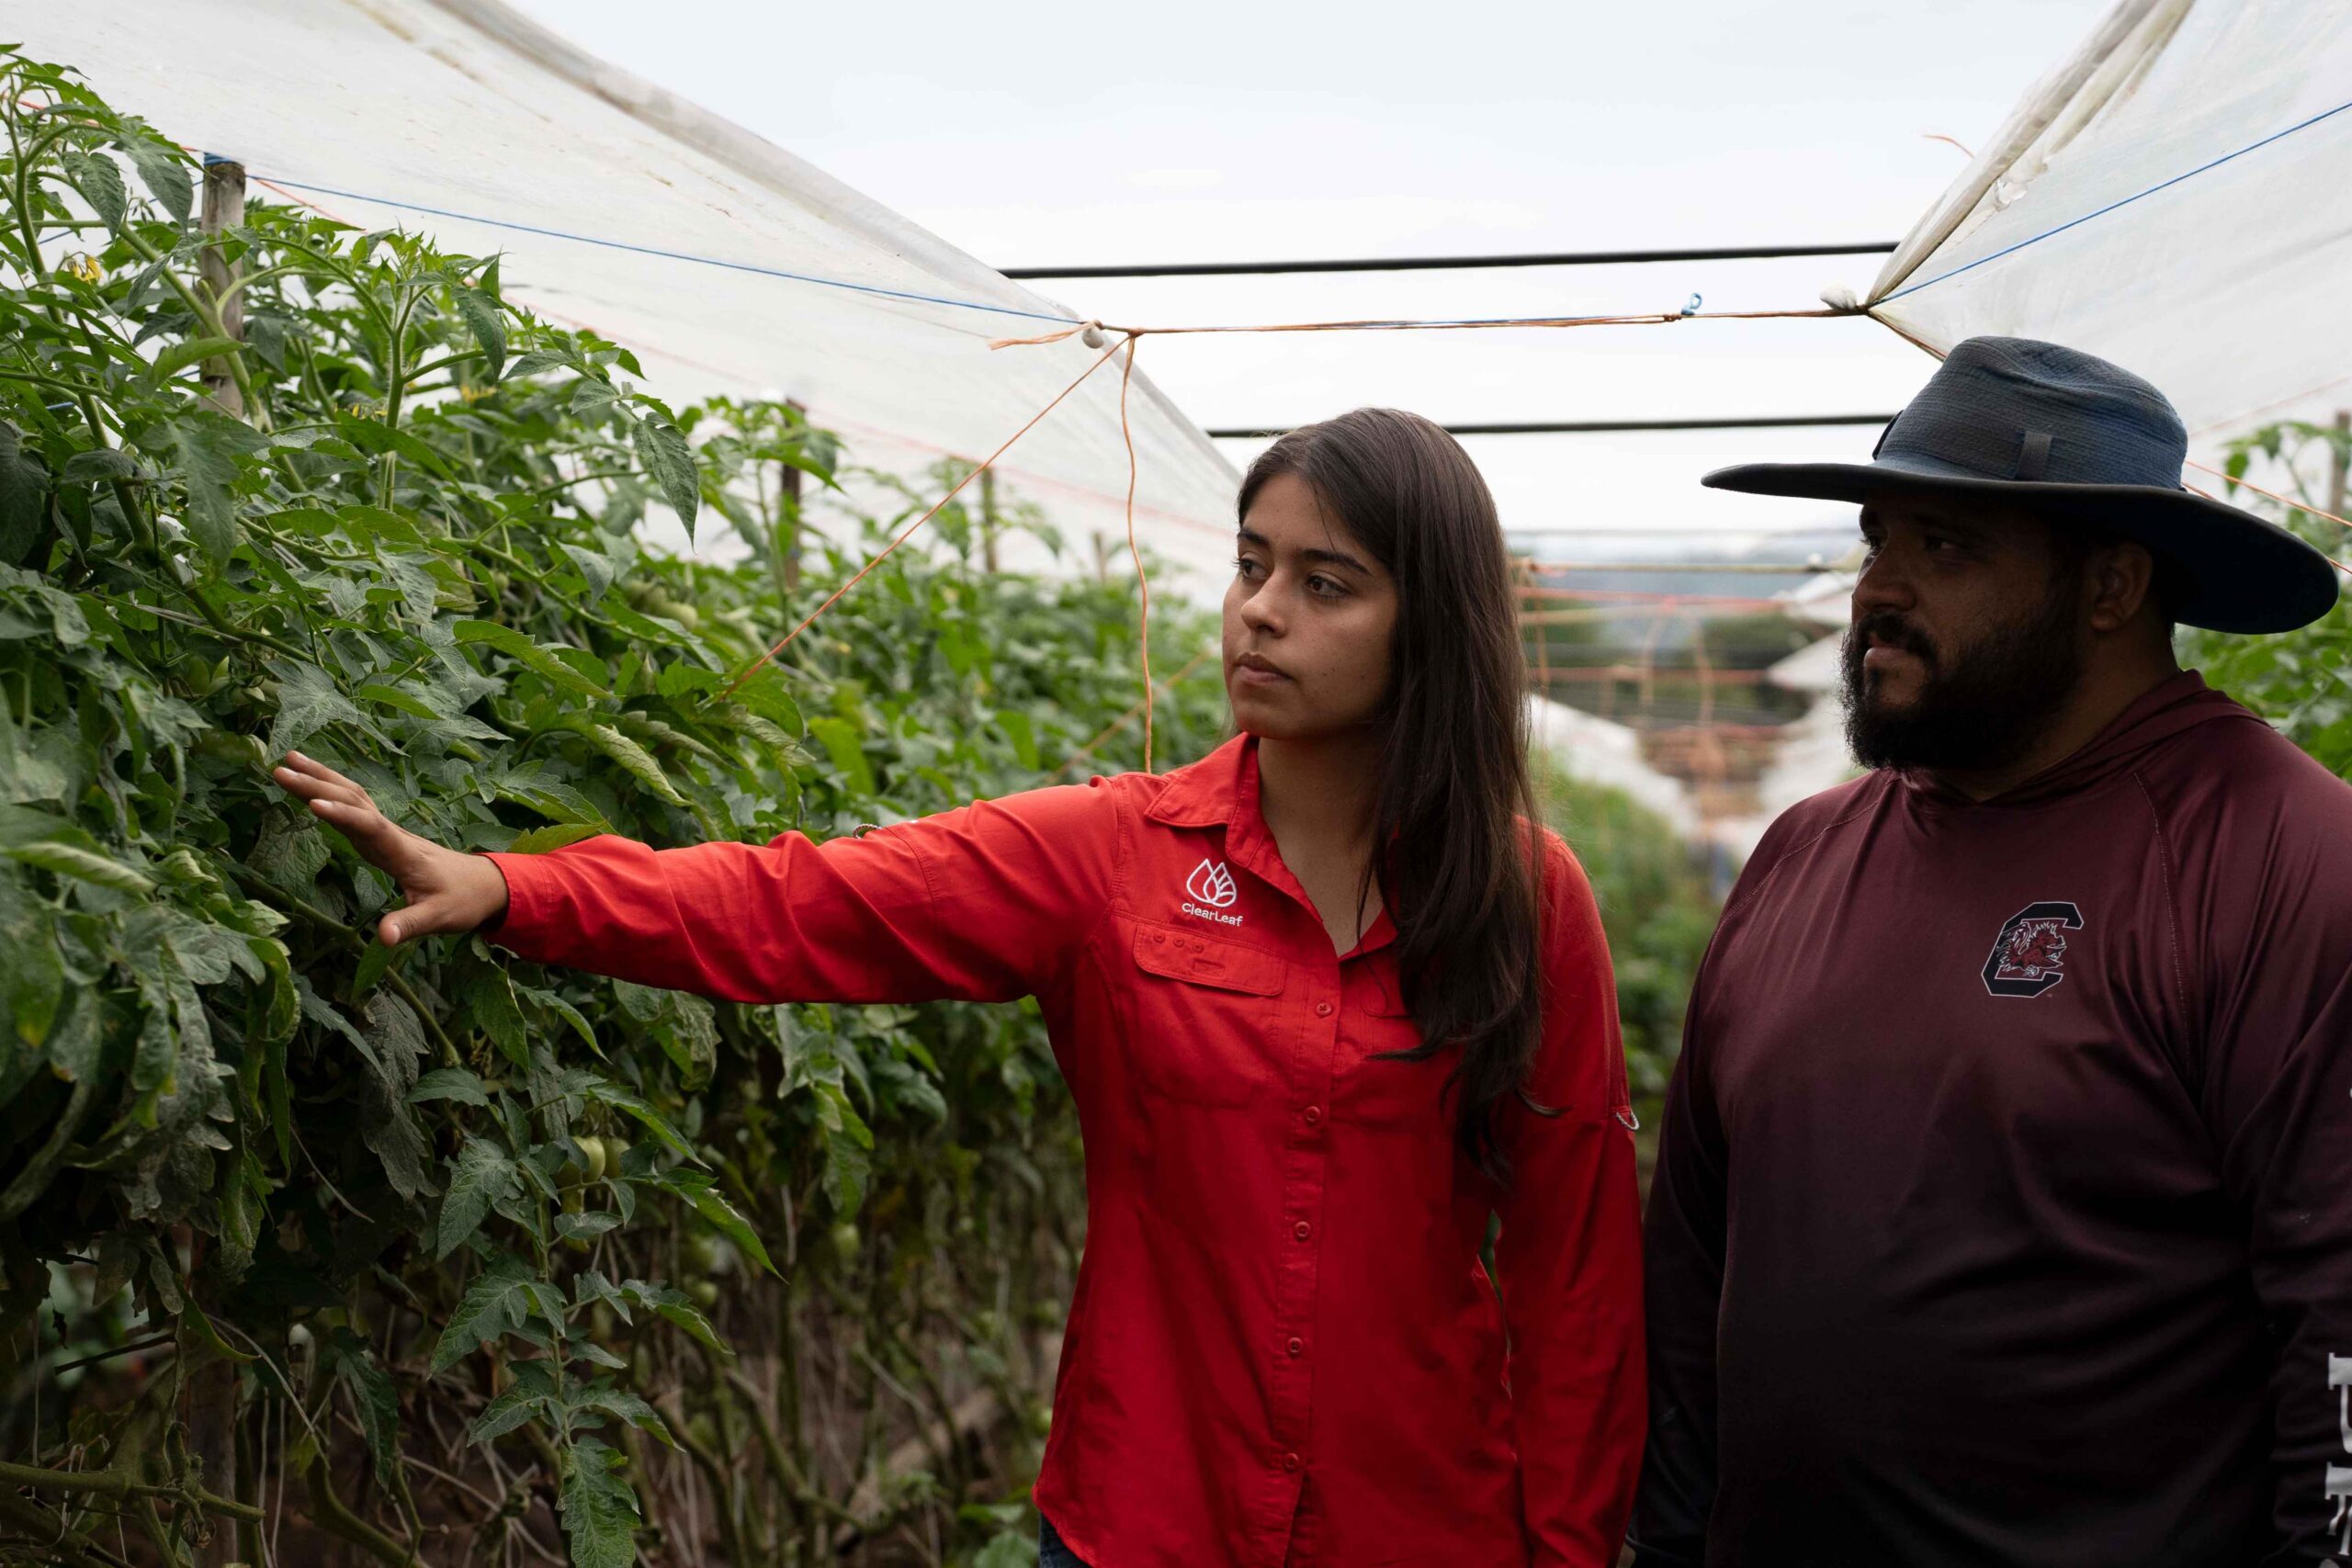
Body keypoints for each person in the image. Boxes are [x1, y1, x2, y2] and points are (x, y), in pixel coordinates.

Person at [275, 408, 1645, 1567]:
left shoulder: (1527, 902)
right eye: (1250, 567)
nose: (1261, 614)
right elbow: (804, 902)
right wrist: (517, 887)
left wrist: (1572, 1550)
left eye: (1326, 584)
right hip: (1145, 1518)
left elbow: (1573, 1269)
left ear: (1434, 627)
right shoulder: (1117, 856)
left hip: (1420, 1525)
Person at [1630, 336, 2352, 1565]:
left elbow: (2336, 1325)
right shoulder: (1801, 860)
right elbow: (1693, 1275)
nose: (1880, 590)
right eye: (1879, 543)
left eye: (1947, 548)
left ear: (2113, 587)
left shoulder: (2278, 857)